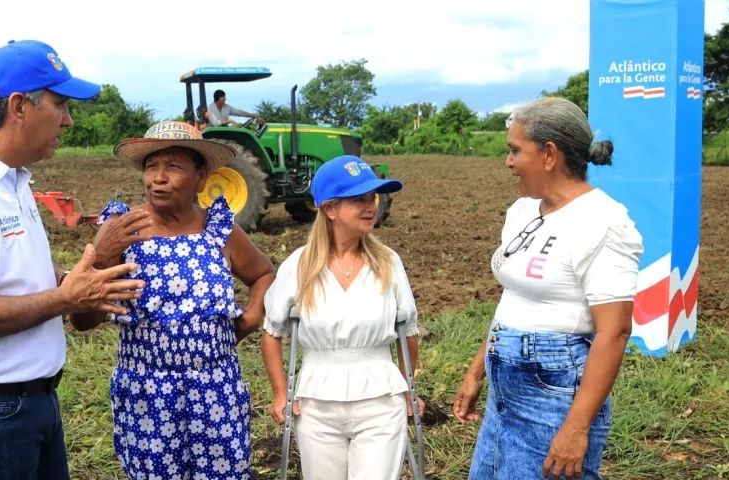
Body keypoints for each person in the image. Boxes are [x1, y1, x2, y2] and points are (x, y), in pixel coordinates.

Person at [0, 39, 146, 480]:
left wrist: (76, 276)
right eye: (60, 104)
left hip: (32, 401)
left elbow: (15, 276)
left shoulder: (14, 183)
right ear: (19, 106)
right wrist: (66, 298)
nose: (69, 119)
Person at [451, 96, 644, 480]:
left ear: (549, 154)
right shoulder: (523, 211)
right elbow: (514, 296)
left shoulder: (603, 222)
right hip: (504, 395)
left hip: (553, 398)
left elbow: (615, 330)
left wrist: (575, 428)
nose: (508, 162)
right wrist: (477, 371)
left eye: (515, 151)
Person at [80, 120, 276, 480]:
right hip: (147, 393)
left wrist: (249, 319)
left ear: (201, 178)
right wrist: (105, 257)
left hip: (215, 389)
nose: (158, 177)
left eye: (173, 167)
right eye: (151, 166)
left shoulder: (219, 230)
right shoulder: (122, 230)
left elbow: (263, 273)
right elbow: (82, 319)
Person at [261, 155, 424, 480]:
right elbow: (272, 331)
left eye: (371, 198)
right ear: (330, 209)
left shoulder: (389, 262)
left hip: (380, 399)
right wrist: (281, 393)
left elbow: (408, 332)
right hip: (316, 402)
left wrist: (408, 388)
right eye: (358, 199)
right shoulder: (299, 264)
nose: (370, 206)